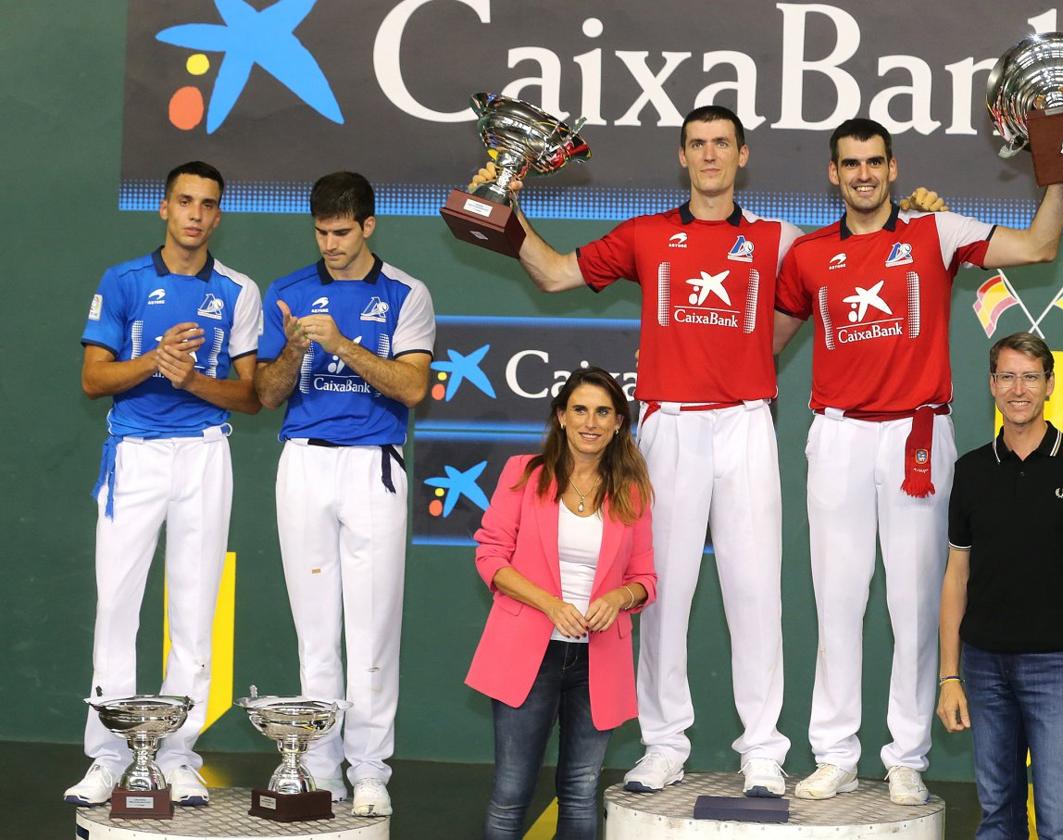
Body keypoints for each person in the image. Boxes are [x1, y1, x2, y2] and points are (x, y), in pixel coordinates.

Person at [472, 106, 945, 797]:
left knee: (755, 591)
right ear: (683, 156)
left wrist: (920, 208)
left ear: (742, 155)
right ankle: (664, 742)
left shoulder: (782, 240)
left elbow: (859, 251)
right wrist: (505, 202)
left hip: (747, 424)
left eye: (722, 144)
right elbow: (549, 273)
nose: (710, 155)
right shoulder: (647, 234)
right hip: (668, 426)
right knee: (661, 591)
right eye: (698, 145)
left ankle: (763, 752)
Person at [775, 117, 1063, 805]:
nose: (864, 174)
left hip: (917, 435)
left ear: (893, 166)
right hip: (840, 436)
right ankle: (834, 753)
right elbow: (765, 345)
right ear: (833, 173)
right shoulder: (809, 254)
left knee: (915, 602)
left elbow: (1039, 244)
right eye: (850, 163)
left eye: (874, 161)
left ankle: (906, 755)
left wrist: (1057, 173)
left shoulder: (934, 233)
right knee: (837, 601)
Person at [67, 161, 262, 807]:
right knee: (117, 606)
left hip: (205, 457)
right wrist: (155, 359)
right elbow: (94, 379)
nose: (195, 214)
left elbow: (252, 396)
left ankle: (179, 754)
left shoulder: (238, 291)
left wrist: (192, 380)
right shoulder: (122, 281)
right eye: (185, 201)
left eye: (208, 204)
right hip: (135, 456)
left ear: (218, 215)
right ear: (164, 208)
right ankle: (107, 756)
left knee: (194, 611)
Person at [255, 171, 435, 817]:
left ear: (367, 225)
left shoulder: (407, 293)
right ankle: (320, 769)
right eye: (321, 232)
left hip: (372, 470)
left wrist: (341, 344)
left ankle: (369, 771)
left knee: (372, 630)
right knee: (315, 634)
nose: (330, 245)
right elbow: (267, 395)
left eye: (341, 232)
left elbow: (412, 388)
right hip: (303, 465)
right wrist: (295, 350)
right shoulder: (287, 292)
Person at [937, 332, 1063, 840]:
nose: (1019, 389)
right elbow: (957, 575)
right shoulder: (970, 471)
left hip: (1060, 667)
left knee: (1061, 823)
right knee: (997, 820)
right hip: (984, 665)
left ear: (1049, 384)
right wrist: (949, 676)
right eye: (1008, 376)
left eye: (1030, 377)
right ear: (992, 385)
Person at [466, 367, 657, 840]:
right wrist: (550, 605)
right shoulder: (523, 473)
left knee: (579, 792)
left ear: (618, 423)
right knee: (510, 795)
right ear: (561, 417)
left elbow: (646, 580)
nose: (590, 422)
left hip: (599, 659)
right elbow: (490, 557)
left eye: (603, 412)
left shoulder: (632, 490)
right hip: (527, 653)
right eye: (580, 410)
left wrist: (619, 595)